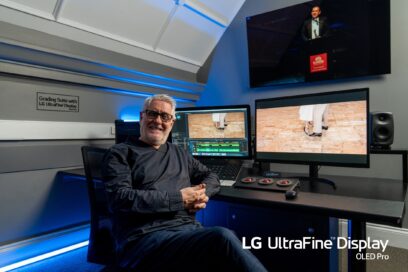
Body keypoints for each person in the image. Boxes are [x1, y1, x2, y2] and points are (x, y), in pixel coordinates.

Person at [102, 94, 267, 271]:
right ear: (142, 117)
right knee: (222, 238)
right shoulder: (120, 153)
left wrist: (201, 194)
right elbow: (120, 198)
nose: (158, 121)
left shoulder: (179, 152)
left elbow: (211, 176)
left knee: (226, 245)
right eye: (152, 114)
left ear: (171, 123)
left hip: (187, 231)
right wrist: (179, 199)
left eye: (165, 116)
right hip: (144, 238)